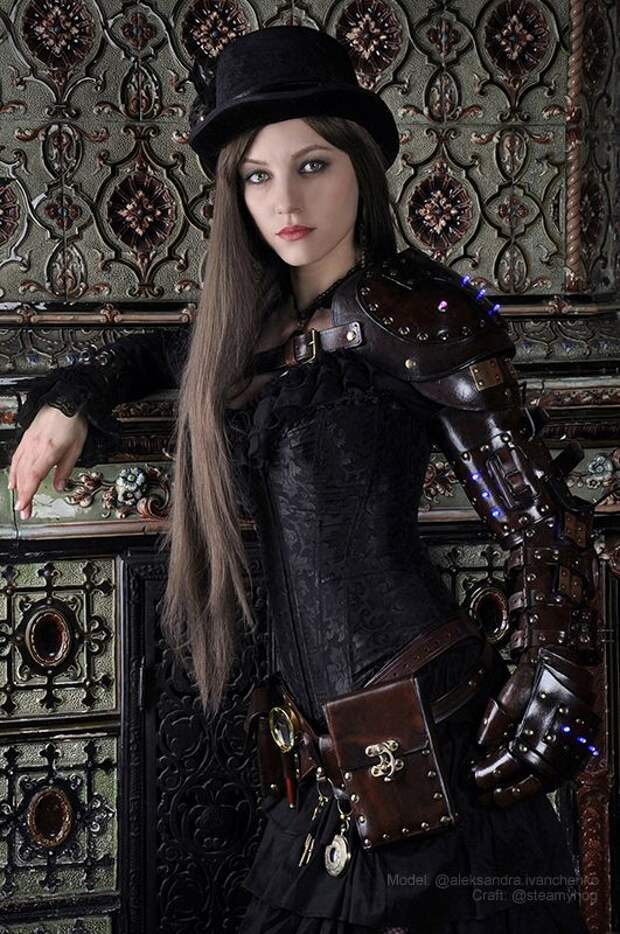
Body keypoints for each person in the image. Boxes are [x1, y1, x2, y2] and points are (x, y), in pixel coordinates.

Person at [9, 25, 601, 934]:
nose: (285, 201)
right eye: (257, 176)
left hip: (427, 728)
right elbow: (150, 354)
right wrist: (72, 399)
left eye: (313, 166)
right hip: (317, 753)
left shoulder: (417, 312)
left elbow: (544, 522)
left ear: (360, 167)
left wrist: (554, 690)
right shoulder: (251, 328)